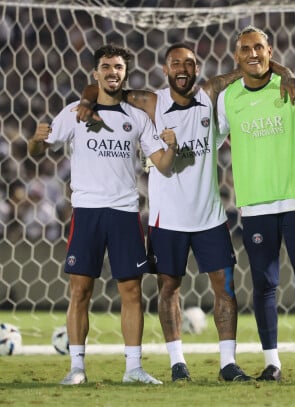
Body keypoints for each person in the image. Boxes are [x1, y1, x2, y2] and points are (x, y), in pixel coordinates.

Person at [75, 43, 252, 383]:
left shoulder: (209, 95)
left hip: (210, 217)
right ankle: (177, 363)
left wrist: (280, 72)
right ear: (165, 68)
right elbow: (103, 87)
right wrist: (85, 102)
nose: (182, 68)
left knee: (225, 288)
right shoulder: (151, 102)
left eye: (189, 62)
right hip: (166, 219)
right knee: (168, 289)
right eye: (175, 63)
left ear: (198, 67)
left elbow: (247, 71)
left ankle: (228, 363)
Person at [28, 44, 176, 385]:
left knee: (132, 292)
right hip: (88, 212)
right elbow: (39, 149)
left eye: (119, 67)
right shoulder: (74, 113)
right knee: (80, 291)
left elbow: (163, 165)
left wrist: (172, 145)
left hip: (125, 212)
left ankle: (133, 369)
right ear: (96, 73)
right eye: (107, 67)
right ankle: (77, 368)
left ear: (126, 74)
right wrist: (36, 140)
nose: (113, 72)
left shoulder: (138, 118)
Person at [216, 25, 295, 383]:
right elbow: (216, 138)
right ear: (236, 56)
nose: (253, 53)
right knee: (264, 285)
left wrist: (290, 74)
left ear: (270, 50)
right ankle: (273, 363)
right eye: (245, 48)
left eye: (259, 47)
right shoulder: (228, 98)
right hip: (255, 204)